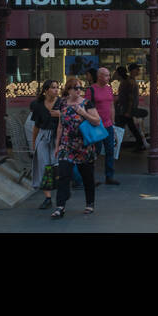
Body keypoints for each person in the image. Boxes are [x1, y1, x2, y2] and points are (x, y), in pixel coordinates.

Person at [51, 77, 101, 219]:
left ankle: (89, 203)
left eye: (80, 88)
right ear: (68, 90)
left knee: (87, 177)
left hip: (84, 145)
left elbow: (97, 121)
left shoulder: (86, 103)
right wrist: (57, 145)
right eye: (76, 88)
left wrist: (83, 113)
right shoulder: (62, 104)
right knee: (63, 175)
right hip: (67, 145)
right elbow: (60, 125)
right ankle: (60, 207)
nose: (79, 90)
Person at [30, 79, 60, 209]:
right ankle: (47, 197)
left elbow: (70, 119)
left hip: (58, 137)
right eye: (53, 87)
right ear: (46, 90)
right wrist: (34, 142)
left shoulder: (61, 103)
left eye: (57, 87)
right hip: (43, 136)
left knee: (57, 165)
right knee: (43, 166)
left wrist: (61, 115)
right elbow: (36, 125)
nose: (56, 90)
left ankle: (60, 195)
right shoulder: (38, 105)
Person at [87, 67, 119, 185]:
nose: (108, 78)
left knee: (110, 151)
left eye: (108, 75)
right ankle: (91, 177)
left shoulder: (109, 89)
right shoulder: (91, 90)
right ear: (99, 76)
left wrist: (113, 123)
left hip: (108, 125)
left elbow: (111, 106)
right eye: (106, 75)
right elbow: (87, 107)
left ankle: (109, 176)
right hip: (96, 125)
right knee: (95, 152)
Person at [115, 65, 147, 153]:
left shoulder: (128, 82)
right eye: (137, 69)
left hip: (126, 109)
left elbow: (130, 98)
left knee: (120, 127)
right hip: (126, 109)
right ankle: (140, 143)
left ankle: (115, 145)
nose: (138, 71)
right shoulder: (129, 81)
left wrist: (128, 111)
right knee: (130, 126)